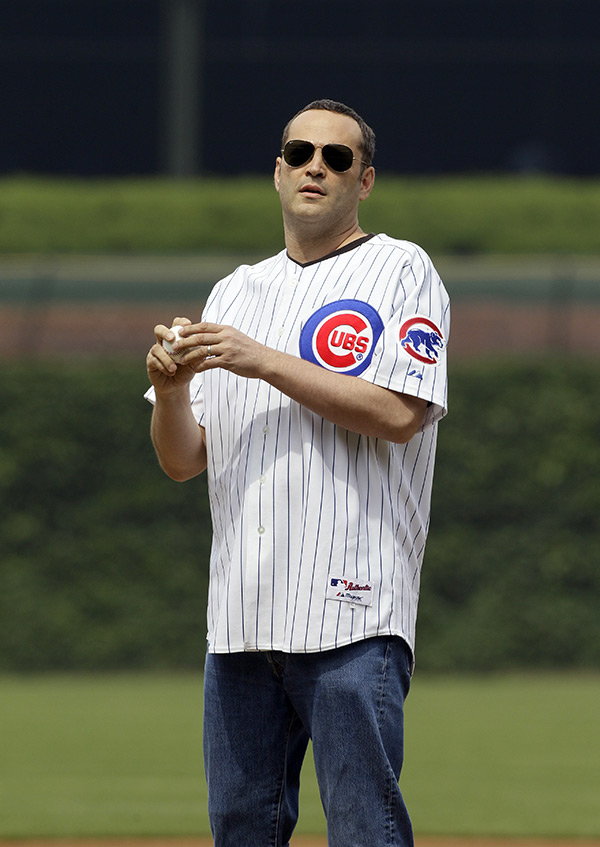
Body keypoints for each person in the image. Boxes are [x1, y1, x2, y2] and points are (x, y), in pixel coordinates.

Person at [145, 98, 450, 847]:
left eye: (337, 157)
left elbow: (400, 412)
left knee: (363, 829)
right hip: (241, 619)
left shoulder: (400, 269)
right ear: (277, 171)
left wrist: (263, 359)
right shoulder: (233, 292)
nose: (316, 165)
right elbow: (183, 459)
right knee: (242, 829)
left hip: (353, 610)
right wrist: (174, 389)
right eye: (300, 152)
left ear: (364, 180)